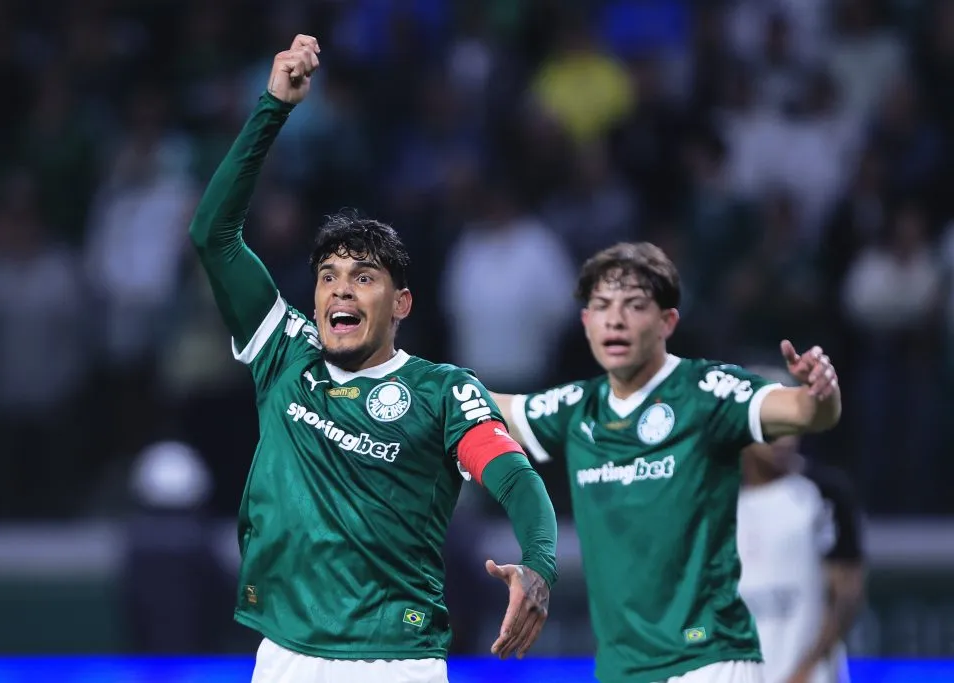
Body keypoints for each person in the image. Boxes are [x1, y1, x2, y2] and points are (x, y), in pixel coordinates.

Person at [188, 35, 557, 683]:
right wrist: (273, 106)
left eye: (363, 277)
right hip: (283, 655)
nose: (340, 289)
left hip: (395, 662)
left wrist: (539, 564)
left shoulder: (442, 391)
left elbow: (514, 478)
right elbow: (213, 235)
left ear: (402, 303)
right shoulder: (283, 350)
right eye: (328, 275)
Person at [491, 242, 842, 683]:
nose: (615, 319)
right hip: (622, 669)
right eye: (601, 306)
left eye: (634, 305)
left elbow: (806, 412)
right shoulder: (577, 408)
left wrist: (820, 393)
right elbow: (488, 406)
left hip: (707, 660)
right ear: (586, 322)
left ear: (666, 322)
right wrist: (405, 377)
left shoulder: (706, 391)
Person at [738, 370, 865, 683]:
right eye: (774, 423)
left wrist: (804, 671)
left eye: (791, 422)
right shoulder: (716, 501)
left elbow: (846, 593)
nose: (785, 437)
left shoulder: (823, 493)